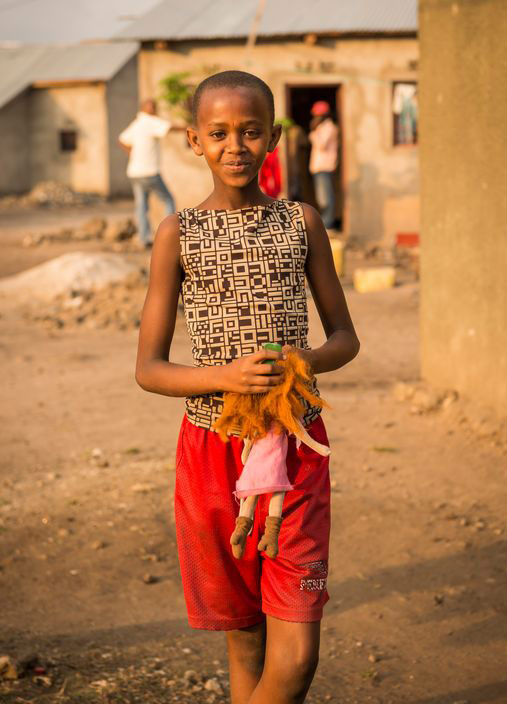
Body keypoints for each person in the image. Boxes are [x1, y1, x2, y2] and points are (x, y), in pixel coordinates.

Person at [135, 70, 359, 704]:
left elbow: (346, 337)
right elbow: (149, 368)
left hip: (296, 445)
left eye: (251, 131)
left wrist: (305, 361)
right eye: (219, 133)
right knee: (246, 639)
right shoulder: (178, 234)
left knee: (295, 660)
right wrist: (224, 377)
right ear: (194, 141)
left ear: (274, 140)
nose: (236, 145)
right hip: (211, 449)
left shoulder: (301, 222)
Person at [118, 98, 182, 248]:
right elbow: (170, 127)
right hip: (149, 171)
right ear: (146, 108)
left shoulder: (137, 123)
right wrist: (192, 128)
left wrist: (132, 154)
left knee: (141, 206)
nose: (154, 109)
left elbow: (121, 140)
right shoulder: (150, 121)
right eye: (152, 107)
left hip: (134, 172)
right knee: (168, 200)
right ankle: (169, 237)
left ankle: (143, 238)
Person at [308, 101, 339, 230]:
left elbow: (321, 145)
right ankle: (326, 222)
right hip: (319, 167)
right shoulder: (322, 128)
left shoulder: (329, 127)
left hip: (324, 166)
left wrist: (313, 133)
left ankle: (327, 223)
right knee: (322, 197)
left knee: (325, 198)